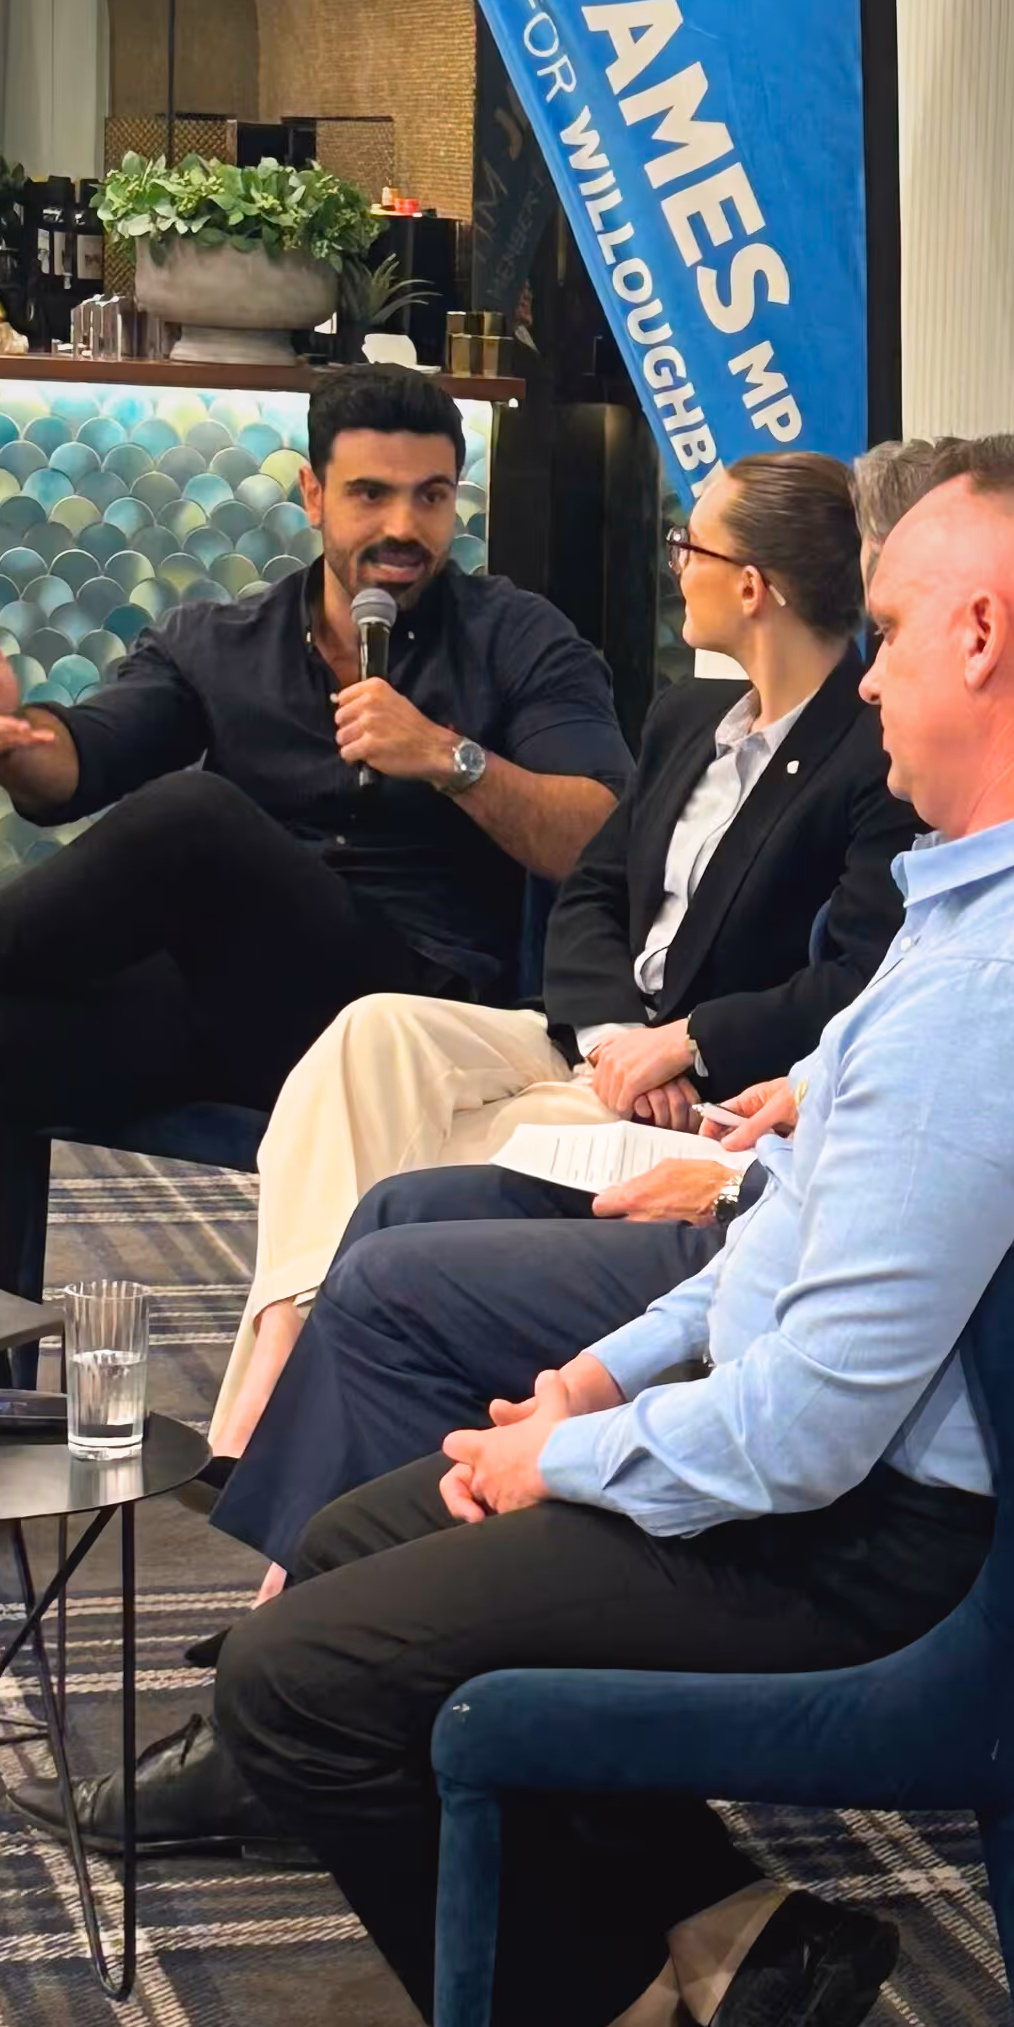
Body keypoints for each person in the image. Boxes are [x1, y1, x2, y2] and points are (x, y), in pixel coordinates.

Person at [204, 437, 1014, 2027]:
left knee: (296, 1683)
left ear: (984, 636)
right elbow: (798, 1235)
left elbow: (805, 1435)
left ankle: (638, 2015)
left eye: (895, 631)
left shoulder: (1004, 986)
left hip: (897, 1567)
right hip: (959, 1521)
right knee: (372, 1536)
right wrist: (603, 1375)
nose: (872, 678)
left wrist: (563, 1457)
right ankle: (738, 1941)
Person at [0, 364, 629, 1563]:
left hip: (410, 1020)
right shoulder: (222, 640)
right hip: (239, 1011)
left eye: (430, 497)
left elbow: (602, 834)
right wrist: (20, 742)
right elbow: (84, 762)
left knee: (196, 820)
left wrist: (451, 758)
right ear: (311, 495)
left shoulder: (521, 640)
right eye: (371, 494)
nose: (402, 527)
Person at [202, 451, 916, 1464]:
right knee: (373, 1036)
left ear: (753, 587)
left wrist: (686, 1044)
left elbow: (857, 981)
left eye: (692, 546)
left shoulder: (871, 756)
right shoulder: (684, 719)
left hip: (705, 1095)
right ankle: (284, 1345)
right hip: (599, 1043)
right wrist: (618, 1036)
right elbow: (590, 890)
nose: (678, 565)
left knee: (402, 1154)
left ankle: (285, 1419)